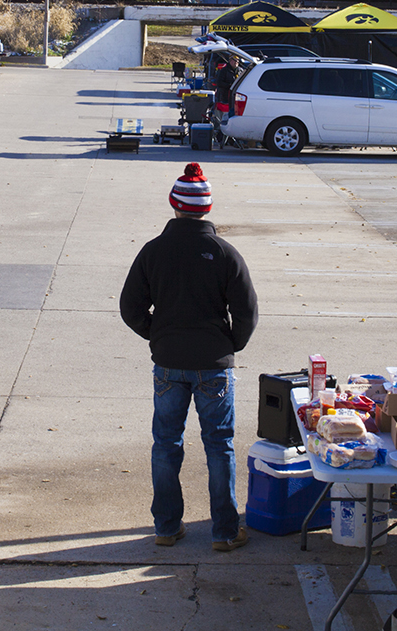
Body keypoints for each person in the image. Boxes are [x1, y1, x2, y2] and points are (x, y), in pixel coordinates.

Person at [120, 163, 259, 553]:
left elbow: (130, 307)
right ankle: (226, 532)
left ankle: (166, 526)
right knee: (220, 446)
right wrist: (229, 344)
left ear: (174, 205)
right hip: (214, 365)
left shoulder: (153, 251)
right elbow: (247, 312)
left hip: (168, 362)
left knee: (165, 444)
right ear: (207, 209)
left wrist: (158, 335)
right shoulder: (224, 253)